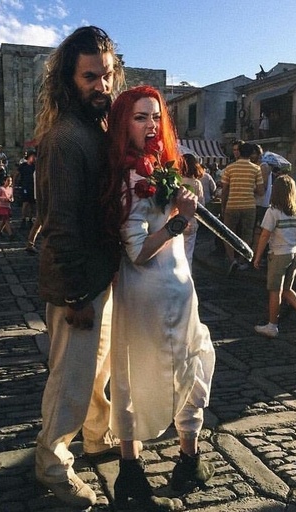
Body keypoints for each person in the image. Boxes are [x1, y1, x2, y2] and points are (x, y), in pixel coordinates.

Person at [106, 85, 216, 510]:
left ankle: (135, 470)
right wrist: (179, 221)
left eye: (156, 117)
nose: (151, 125)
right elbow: (137, 249)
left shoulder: (150, 169)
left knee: (134, 372)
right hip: (156, 291)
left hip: (162, 288)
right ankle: (184, 460)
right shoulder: (131, 178)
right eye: (140, 117)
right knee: (186, 364)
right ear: (124, 123)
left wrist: (176, 212)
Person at [33, 26, 125, 509]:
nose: (101, 86)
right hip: (77, 286)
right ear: (69, 80)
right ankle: (52, 465)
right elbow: (60, 226)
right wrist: (74, 298)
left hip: (98, 278)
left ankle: (96, 435)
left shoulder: (95, 130)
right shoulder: (66, 138)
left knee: (95, 372)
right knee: (69, 381)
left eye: (106, 75)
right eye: (90, 77)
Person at [253, 174, 296, 338]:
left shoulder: (273, 212)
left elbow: (265, 235)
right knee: (287, 289)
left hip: (278, 254)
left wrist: (257, 256)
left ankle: (272, 325)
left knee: (275, 290)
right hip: (294, 253)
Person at [221, 141, 264, 275]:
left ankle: (231, 260)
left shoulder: (229, 168)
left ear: (239, 152)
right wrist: (250, 187)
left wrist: (223, 206)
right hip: (249, 206)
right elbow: (261, 191)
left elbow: (224, 190)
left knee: (228, 233)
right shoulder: (256, 169)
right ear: (251, 154)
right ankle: (241, 260)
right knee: (247, 234)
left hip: (232, 205)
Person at [181, 153, 205, 270]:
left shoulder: (177, 181)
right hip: (191, 222)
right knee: (188, 254)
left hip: (176, 220)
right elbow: (201, 204)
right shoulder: (197, 183)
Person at [251, 144, 272, 254]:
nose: (251, 156)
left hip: (261, 204)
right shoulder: (255, 166)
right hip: (255, 203)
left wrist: (248, 188)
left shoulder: (263, 166)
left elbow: (263, 187)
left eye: (253, 153)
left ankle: (256, 254)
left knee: (257, 231)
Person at [15, 149, 36, 229]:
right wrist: (14, 184)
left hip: (33, 187)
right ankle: (23, 219)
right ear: (29, 157)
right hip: (25, 187)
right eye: (32, 156)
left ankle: (30, 219)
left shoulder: (35, 166)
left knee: (32, 204)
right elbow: (16, 174)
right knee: (25, 203)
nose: (34, 158)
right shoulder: (23, 166)